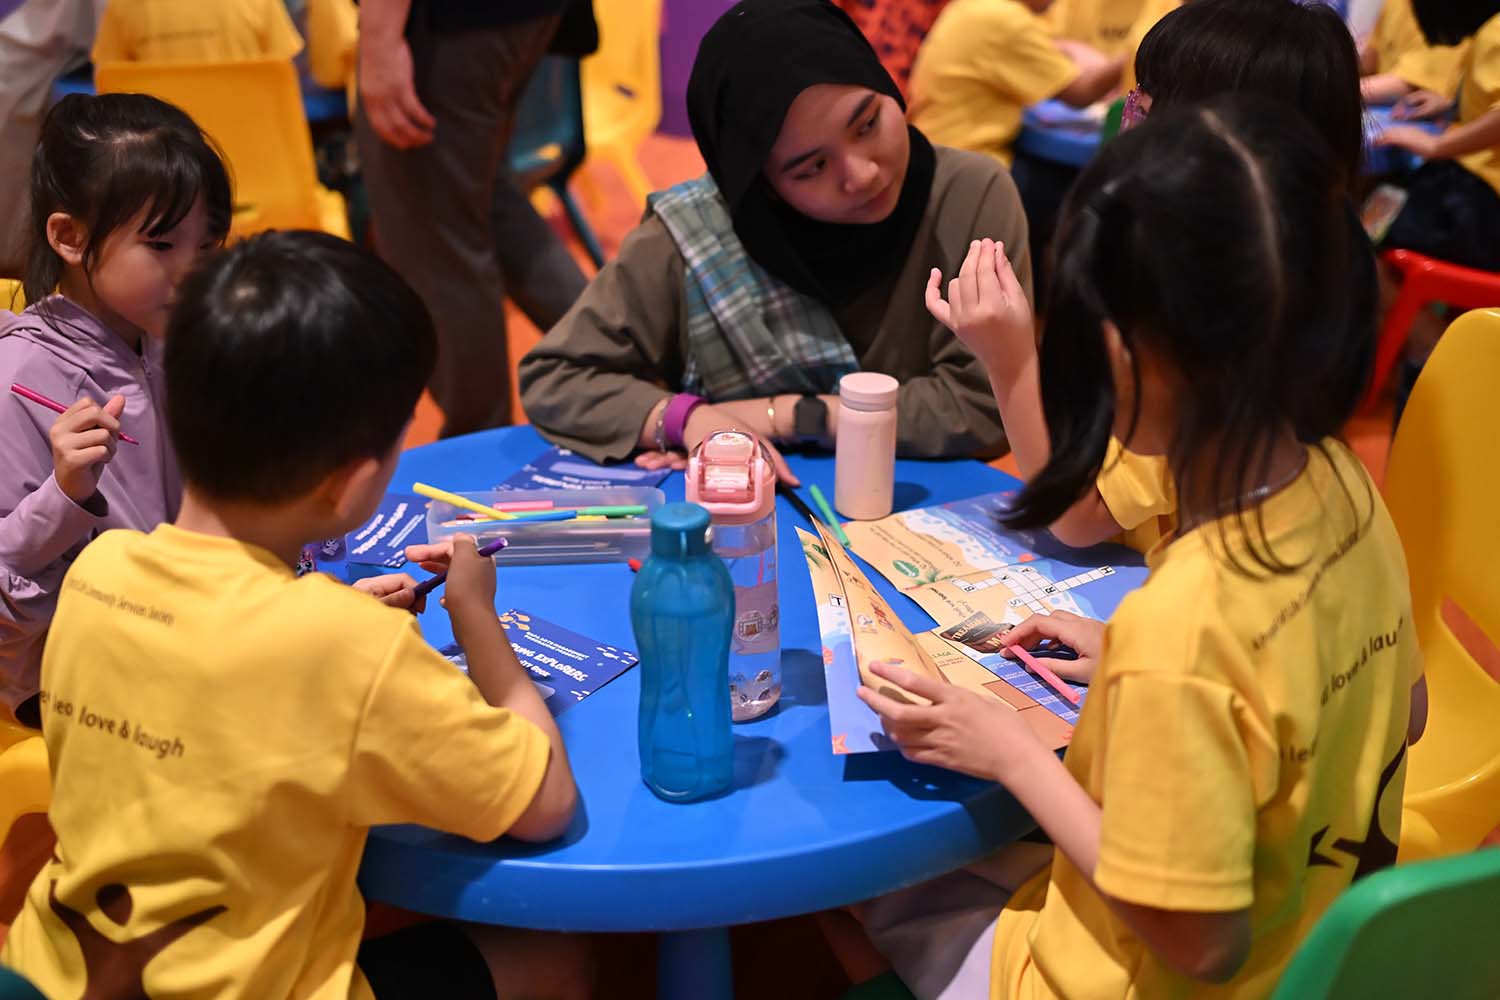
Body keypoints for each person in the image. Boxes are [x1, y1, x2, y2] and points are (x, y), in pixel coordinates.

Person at [857, 94, 1424, 1000]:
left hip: (1134, 979)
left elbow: (1200, 945)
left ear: (1120, 353)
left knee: (873, 887)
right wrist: (1131, 660)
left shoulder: (1185, 625)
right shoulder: (1346, 484)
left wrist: (1010, 752)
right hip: (1317, 941)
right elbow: (1410, 710)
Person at [1, 231, 588, 1000]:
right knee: (555, 963)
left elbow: (218, 664)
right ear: (349, 485)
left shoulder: (98, 571)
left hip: (57, 976)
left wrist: (322, 622)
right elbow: (544, 805)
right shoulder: (350, 645)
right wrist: (475, 616)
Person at [520, 0, 1028, 484]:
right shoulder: (695, 238)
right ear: (761, 186)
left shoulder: (969, 196)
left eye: (868, 123)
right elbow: (557, 378)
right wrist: (687, 421)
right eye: (813, 167)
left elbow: (983, 407)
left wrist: (790, 416)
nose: (863, 173)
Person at [944, 0, 1370, 554]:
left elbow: (1077, 514)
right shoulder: (1316, 260)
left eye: (1144, 109)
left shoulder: (1212, 324)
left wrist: (1012, 359)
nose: (1127, 119)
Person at [0, 93, 230, 726]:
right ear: (70, 238)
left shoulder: (176, 340)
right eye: (161, 245)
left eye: (204, 248)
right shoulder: (17, 379)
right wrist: (63, 496)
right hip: (68, 679)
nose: (191, 273)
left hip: (188, 627)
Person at [355, 0, 589, 438]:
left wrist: (380, 39)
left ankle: (480, 438)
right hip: (514, 19)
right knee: (483, 199)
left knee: (435, 232)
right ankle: (628, 356)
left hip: (448, 23)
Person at [1375, 0, 1500, 426]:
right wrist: (1448, 107)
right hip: (1470, 185)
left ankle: (1427, 348)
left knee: (1360, 238)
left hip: (1484, 200)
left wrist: (1439, 144)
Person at [909, 0, 1123, 168]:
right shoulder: (1007, 21)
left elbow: (1049, 46)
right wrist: (1135, 55)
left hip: (933, 150)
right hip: (970, 161)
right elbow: (1081, 93)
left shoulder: (971, 7)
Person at [91, 0, 304, 63]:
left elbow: (110, 83)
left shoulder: (122, 6)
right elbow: (282, 79)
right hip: (251, 149)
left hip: (160, 159)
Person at [1358, 0, 1466, 116]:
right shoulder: (1395, 3)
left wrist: (1341, 89)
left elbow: (1408, 84)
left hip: (1415, 118)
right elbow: (1370, 58)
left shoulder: (1442, 9)